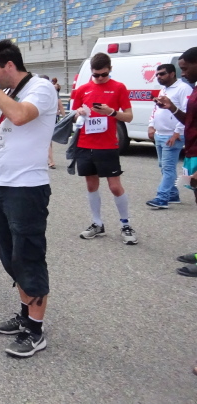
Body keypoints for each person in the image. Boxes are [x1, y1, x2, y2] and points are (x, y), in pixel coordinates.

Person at [0, 39, 57, 357]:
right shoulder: (5, 91)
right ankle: (25, 314)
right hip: (3, 185)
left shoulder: (40, 88)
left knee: (28, 256)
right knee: (10, 256)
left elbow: (20, 116)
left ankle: (36, 330)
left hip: (27, 187)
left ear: (9, 65)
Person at [74, 53, 136, 244]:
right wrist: (79, 113)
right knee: (91, 185)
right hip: (85, 144)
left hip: (108, 145)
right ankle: (97, 223)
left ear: (110, 69)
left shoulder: (118, 87)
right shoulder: (82, 89)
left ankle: (126, 224)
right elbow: (74, 116)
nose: (100, 78)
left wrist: (111, 112)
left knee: (115, 187)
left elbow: (129, 116)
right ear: (91, 71)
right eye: (96, 75)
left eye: (104, 74)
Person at [154, 48, 197, 278]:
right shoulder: (195, 88)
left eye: (185, 68)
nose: (183, 73)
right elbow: (190, 120)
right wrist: (171, 107)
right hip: (192, 151)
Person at [146, 63, 191, 208]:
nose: (159, 77)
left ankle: (162, 198)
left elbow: (187, 113)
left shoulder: (183, 88)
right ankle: (172, 194)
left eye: (162, 74)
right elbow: (156, 109)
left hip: (172, 136)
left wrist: (177, 133)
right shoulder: (164, 89)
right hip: (160, 134)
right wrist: (151, 125)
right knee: (163, 166)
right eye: (157, 74)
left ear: (172, 74)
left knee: (168, 168)